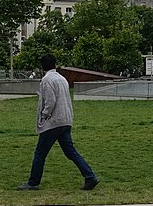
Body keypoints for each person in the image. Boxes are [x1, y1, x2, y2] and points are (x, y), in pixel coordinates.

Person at [17, 54, 98, 191]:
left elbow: (50, 101)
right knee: (70, 152)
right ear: (55, 64)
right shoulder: (62, 79)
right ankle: (90, 177)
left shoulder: (47, 80)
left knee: (40, 153)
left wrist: (44, 115)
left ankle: (33, 182)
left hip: (53, 122)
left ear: (42, 66)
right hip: (65, 120)